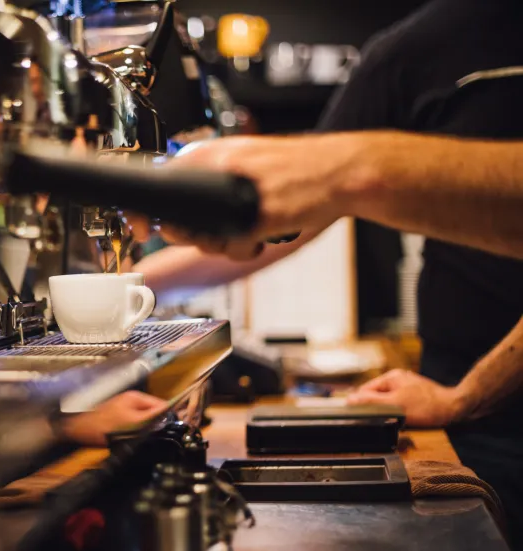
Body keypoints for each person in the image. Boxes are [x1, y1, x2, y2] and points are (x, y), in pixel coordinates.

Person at [132, 0, 523, 544]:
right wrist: (137, 283)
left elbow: (312, 193)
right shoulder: (416, 48)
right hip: (456, 388)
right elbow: (292, 222)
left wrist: (468, 395)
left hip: (472, 398)